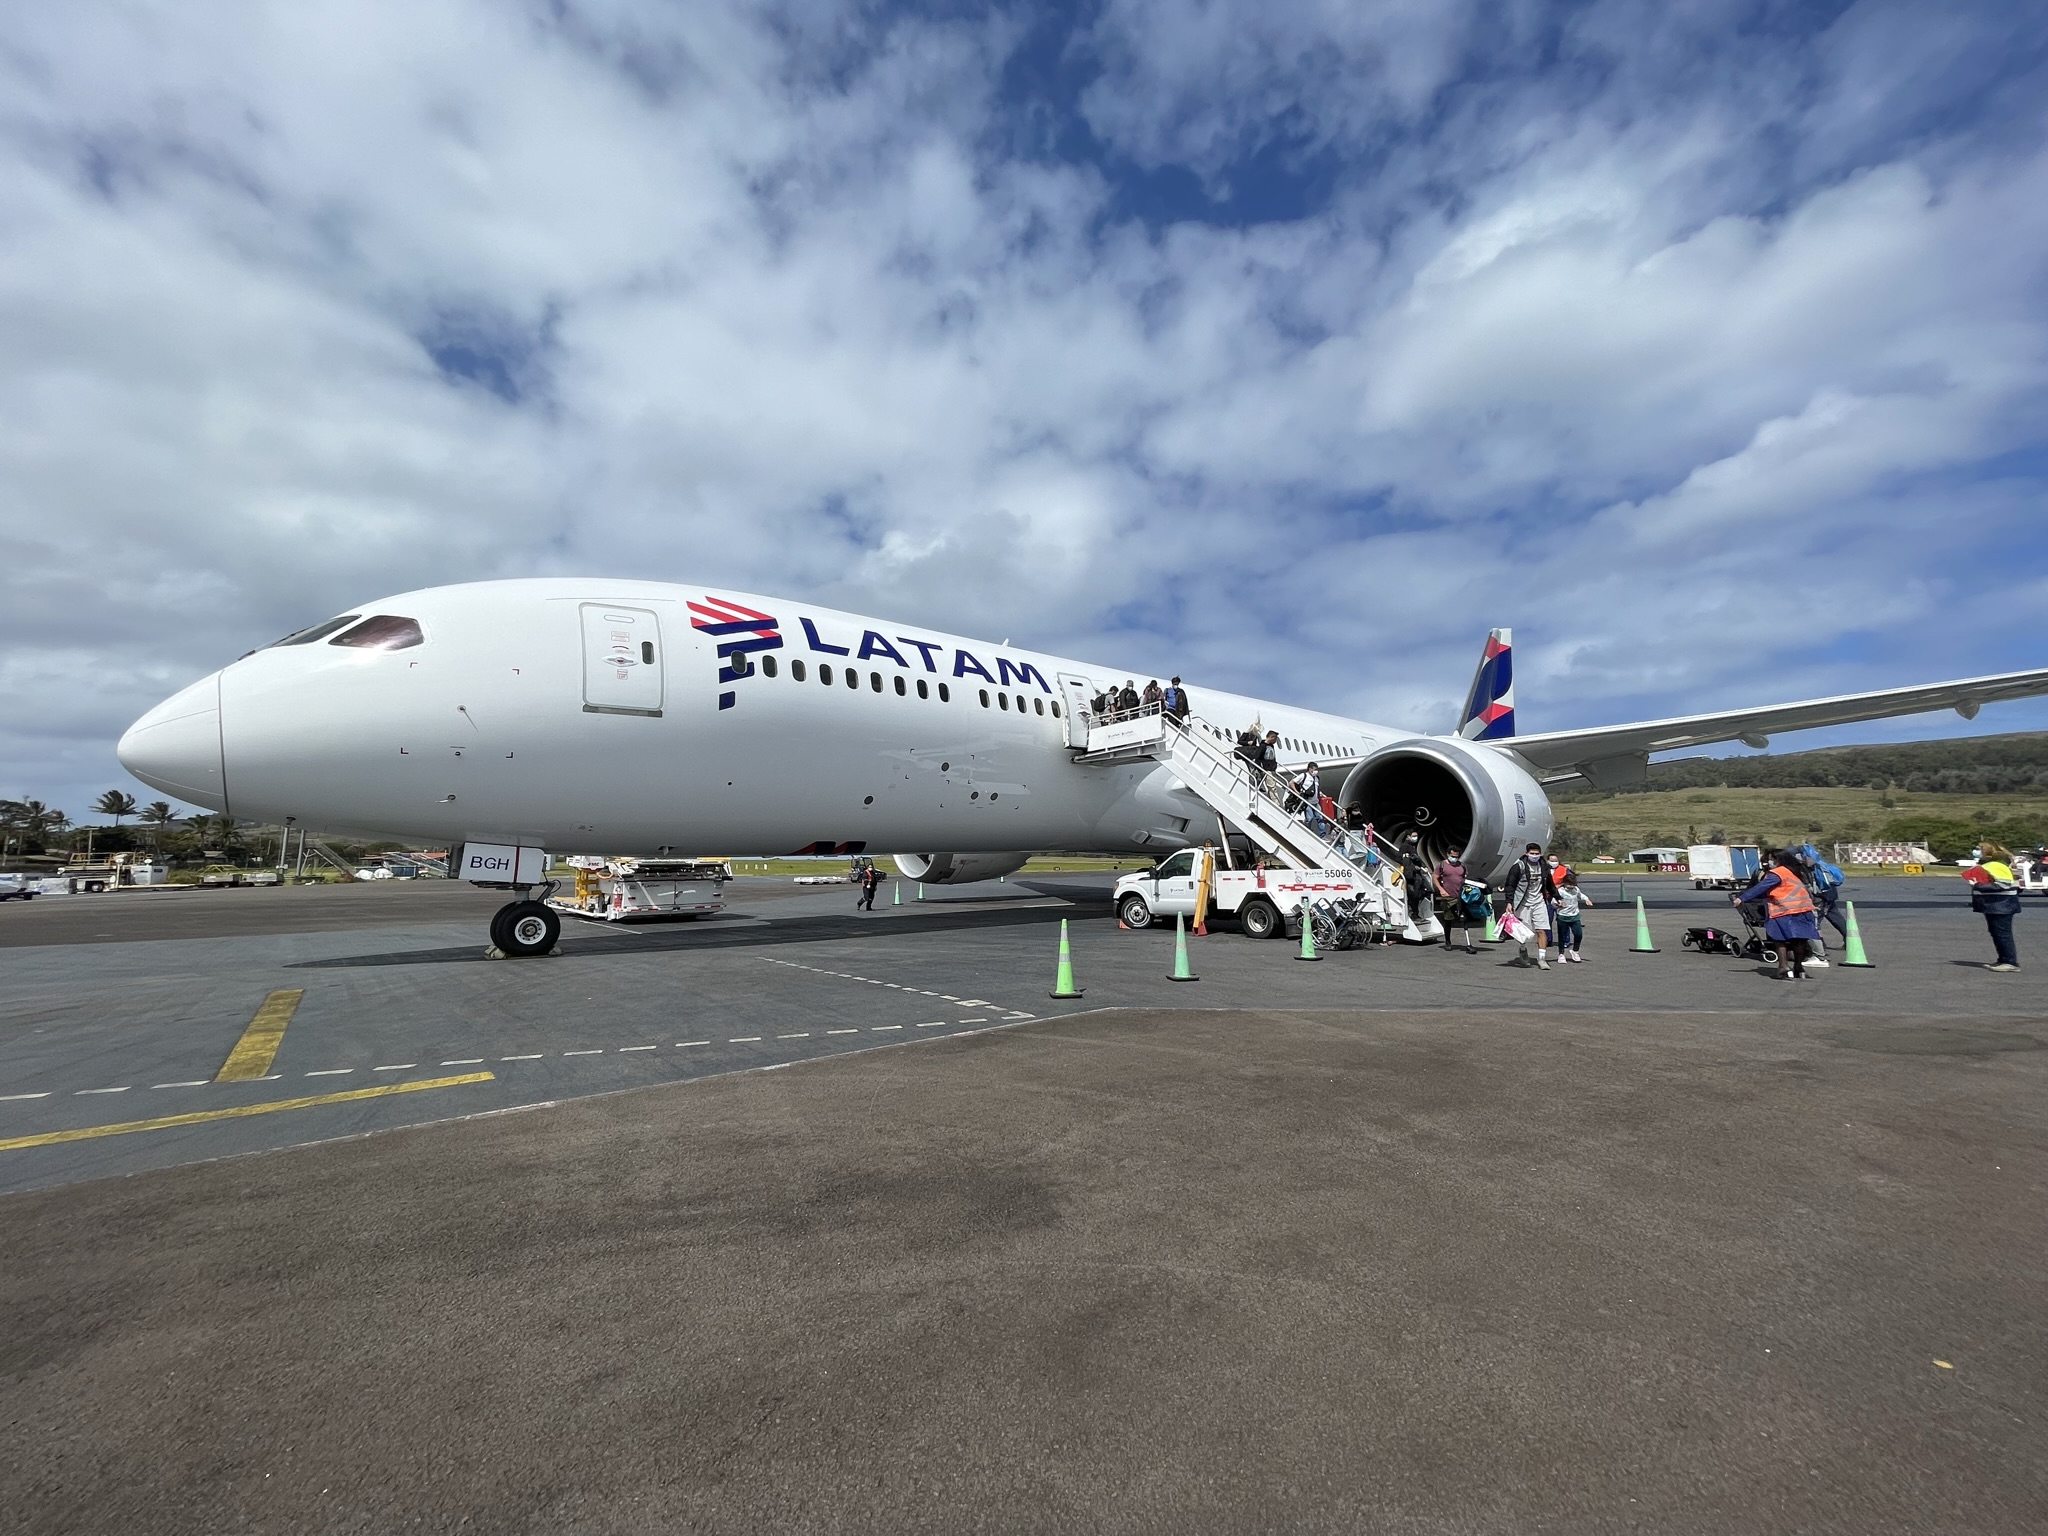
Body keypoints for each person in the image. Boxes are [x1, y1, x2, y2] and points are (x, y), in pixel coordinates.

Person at [1733, 849, 1820, 982]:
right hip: (1803, 909)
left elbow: (1761, 887)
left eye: (1772, 859)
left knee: (1780, 940)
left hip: (1784, 910)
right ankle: (1799, 968)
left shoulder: (1777, 873)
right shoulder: (1793, 871)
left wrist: (1742, 898)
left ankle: (1783, 968)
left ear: (1779, 860)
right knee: (1799, 940)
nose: (1769, 862)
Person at [1962, 840, 2022, 971]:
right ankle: (2003, 960)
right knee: (1997, 933)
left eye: (1979, 849)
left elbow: (2003, 884)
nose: (1976, 851)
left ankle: (2010, 962)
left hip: (2001, 904)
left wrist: (1977, 885)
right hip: (1997, 904)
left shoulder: (1995, 865)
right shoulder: (1993, 864)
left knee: (2002, 934)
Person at [1501, 842, 1558, 968]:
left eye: (1537, 854)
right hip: (1523, 903)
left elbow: (1549, 884)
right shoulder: (1518, 866)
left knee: (1541, 930)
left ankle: (1542, 959)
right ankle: (1523, 950)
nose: (1534, 856)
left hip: (1539, 902)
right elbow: (1510, 885)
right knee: (1525, 933)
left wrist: (1558, 897)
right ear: (1526, 853)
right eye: (1532, 853)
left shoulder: (1544, 866)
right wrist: (1509, 902)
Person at [1791, 843, 1846, 966]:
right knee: (1836, 918)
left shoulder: (1806, 866)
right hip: (1830, 894)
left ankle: (1820, 950)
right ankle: (1849, 939)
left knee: (1815, 922)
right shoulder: (1821, 863)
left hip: (1820, 897)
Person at [1433, 846, 1476, 952]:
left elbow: (1465, 878)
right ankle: (1448, 941)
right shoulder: (1442, 865)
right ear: (1448, 854)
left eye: (1456, 856)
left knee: (1464, 917)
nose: (1454, 858)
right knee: (1448, 919)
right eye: (1452, 856)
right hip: (1447, 897)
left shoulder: (1462, 866)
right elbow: (1435, 877)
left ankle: (1468, 943)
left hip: (1460, 897)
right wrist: (1441, 890)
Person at [1553, 870, 1593, 962]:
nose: (1571, 887)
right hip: (1563, 916)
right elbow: (1553, 902)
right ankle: (1561, 954)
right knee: (1562, 936)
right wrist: (1558, 904)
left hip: (1574, 916)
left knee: (1578, 934)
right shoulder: (1560, 891)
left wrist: (1586, 899)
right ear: (1564, 883)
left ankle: (1575, 951)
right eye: (1569, 884)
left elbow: (1580, 895)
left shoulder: (1575, 889)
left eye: (1572, 885)